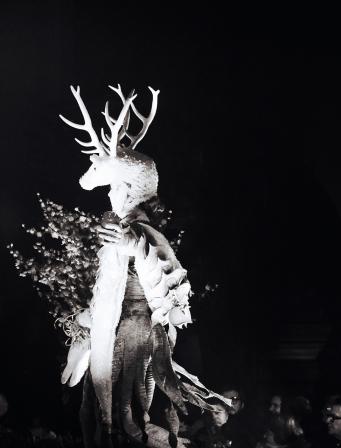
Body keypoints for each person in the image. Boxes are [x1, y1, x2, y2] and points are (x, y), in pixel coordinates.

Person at [58, 85, 231, 447]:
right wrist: (84, 318)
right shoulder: (123, 223)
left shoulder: (136, 228)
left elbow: (162, 271)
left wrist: (128, 244)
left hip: (133, 329)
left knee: (126, 407)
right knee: (105, 406)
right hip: (117, 325)